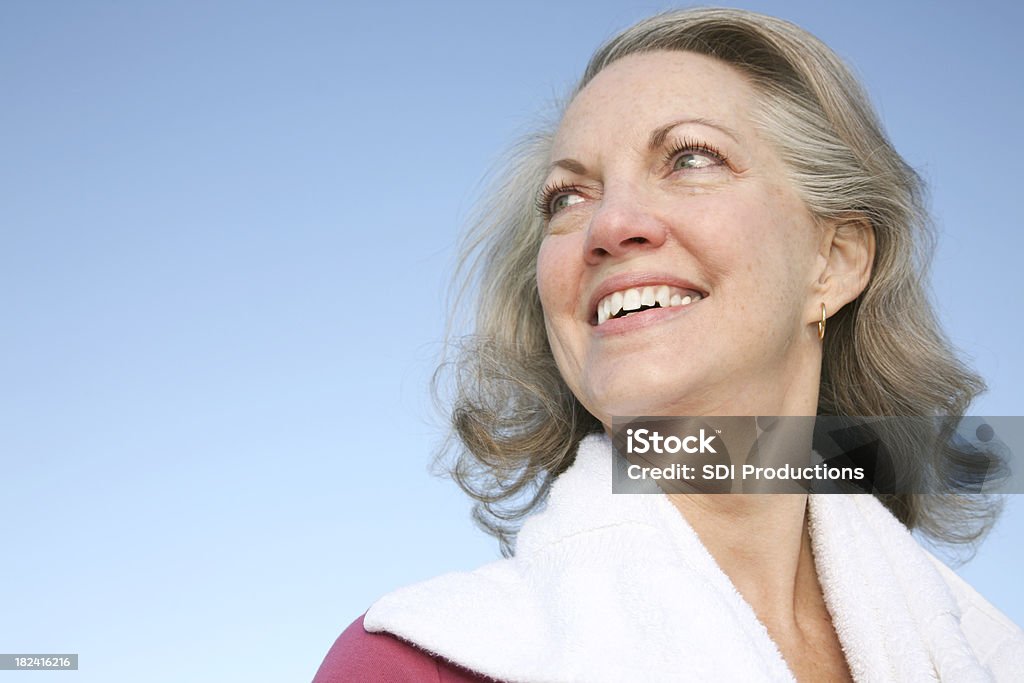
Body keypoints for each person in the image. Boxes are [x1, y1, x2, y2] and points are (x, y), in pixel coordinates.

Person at [314, 8, 1024, 682]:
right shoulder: (422, 662)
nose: (609, 224)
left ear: (834, 261)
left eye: (690, 158)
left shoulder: (989, 654)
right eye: (567, 198)